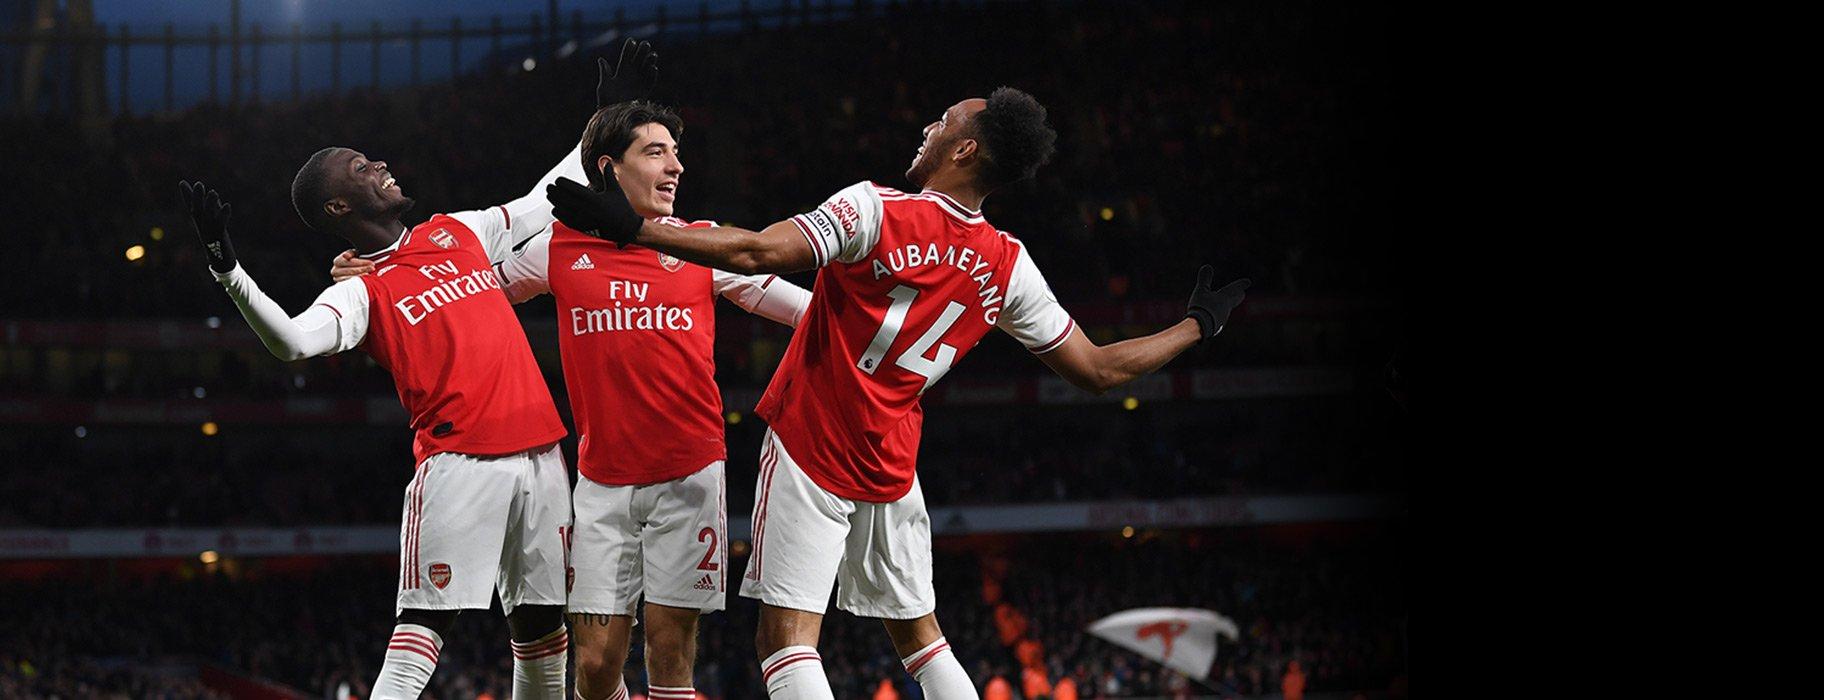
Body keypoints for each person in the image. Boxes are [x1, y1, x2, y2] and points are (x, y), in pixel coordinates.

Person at [544, 87, 1249, 700]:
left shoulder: (874, 210)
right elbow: (1096, 369)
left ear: (964, 149)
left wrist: (633, 230)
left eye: (943, 122)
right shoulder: (1008, 263)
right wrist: (1195, 326)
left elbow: (758, 251)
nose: (928, 128)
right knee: (924, 642)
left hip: (814, 442)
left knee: (786, 642)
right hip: (891, 462)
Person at [179, 42, 667, 700]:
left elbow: (545, 198)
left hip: (542, 456)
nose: (379, 164)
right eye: (360, 167)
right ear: (338, 207)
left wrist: (608, 118)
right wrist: (228, 270)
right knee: (420, 637)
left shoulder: (455, 231)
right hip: (459, 464)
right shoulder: (362, 290)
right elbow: (291, 343)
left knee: (544, 635)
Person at [331, 51, 810, 700]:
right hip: (602, 483)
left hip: (690, 475)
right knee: (594, 669)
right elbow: (462, 286)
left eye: (676, 153)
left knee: (670, 659)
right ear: (610, 167)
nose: (676, 166)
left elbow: (805, 311)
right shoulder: (557, 249)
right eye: (657, 152)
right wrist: (377, 273)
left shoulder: (702, 243)